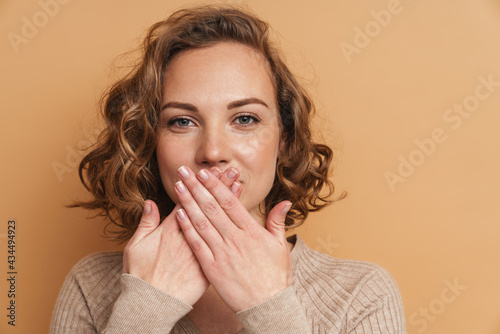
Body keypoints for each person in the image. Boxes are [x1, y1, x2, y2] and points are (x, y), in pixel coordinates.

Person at [50, 4, 406, 333]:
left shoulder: (361, 294)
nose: (213, 152)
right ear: (151, 140)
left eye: (245, 118)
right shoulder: (91, 286)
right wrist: (146, 307)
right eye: (182, 122)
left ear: (284, 139)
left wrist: (270, 307)